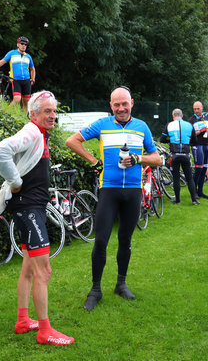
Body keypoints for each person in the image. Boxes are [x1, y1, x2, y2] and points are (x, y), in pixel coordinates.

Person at [65, 86, 162, 311]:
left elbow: (157, 159)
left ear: (132, 103)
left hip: (133, 191)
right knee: (101, 240)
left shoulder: (142, 127)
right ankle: (95, 290)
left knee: (125, 241)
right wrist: (93, 160)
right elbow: (72, 141)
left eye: (124, 103)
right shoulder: (102, 125)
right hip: (108, 189)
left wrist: (138, 159)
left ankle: (121, 284)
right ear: (111, 105)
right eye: (116, 104)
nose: (120, 108)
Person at [0, 90, 74, 346]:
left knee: (28, 269)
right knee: (43, 270)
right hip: (28, 208)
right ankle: (45, 331)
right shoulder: (32, 131)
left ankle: (23, 320)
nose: (52, 115)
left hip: (31, 206)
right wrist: (14, 182)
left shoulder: (41, 134)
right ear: (33, 113)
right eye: (47, 111)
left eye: (54, 111)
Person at [0, 36, 35, 111]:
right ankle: (5, 113)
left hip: (26, 81)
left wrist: (33, 79)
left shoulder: (28, 56)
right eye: (22, 44)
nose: (24, 46)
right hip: (15, 80)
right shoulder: (12, 53)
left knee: (26, 102)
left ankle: (23, 120)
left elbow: (32, 69)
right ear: (18, 44)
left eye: (26, 44)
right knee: (17, 99)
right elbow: (1, 62)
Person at [161, 108, 199, 205]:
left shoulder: (169, 125)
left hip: (174, 155)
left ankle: (177, 200)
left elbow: (162, 139)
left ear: (173, 116)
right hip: (186, 154)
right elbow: (195, 141)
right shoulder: (189, 125)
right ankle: (194, 199)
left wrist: (170, 141)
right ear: (182, 116)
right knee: (189, 178)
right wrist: (187, 142)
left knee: (176, 178)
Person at [188, 101, 208, 199]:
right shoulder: (191, 120)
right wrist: (200, 132)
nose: (196, 110)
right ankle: (194, 192)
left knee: (204, 168)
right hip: (196, 145)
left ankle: (200, 191)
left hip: (206, 144)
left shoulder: (206, 117)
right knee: (198, 168)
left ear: (202, 107)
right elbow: (191, 135)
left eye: (198, 108)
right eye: (194, 109)